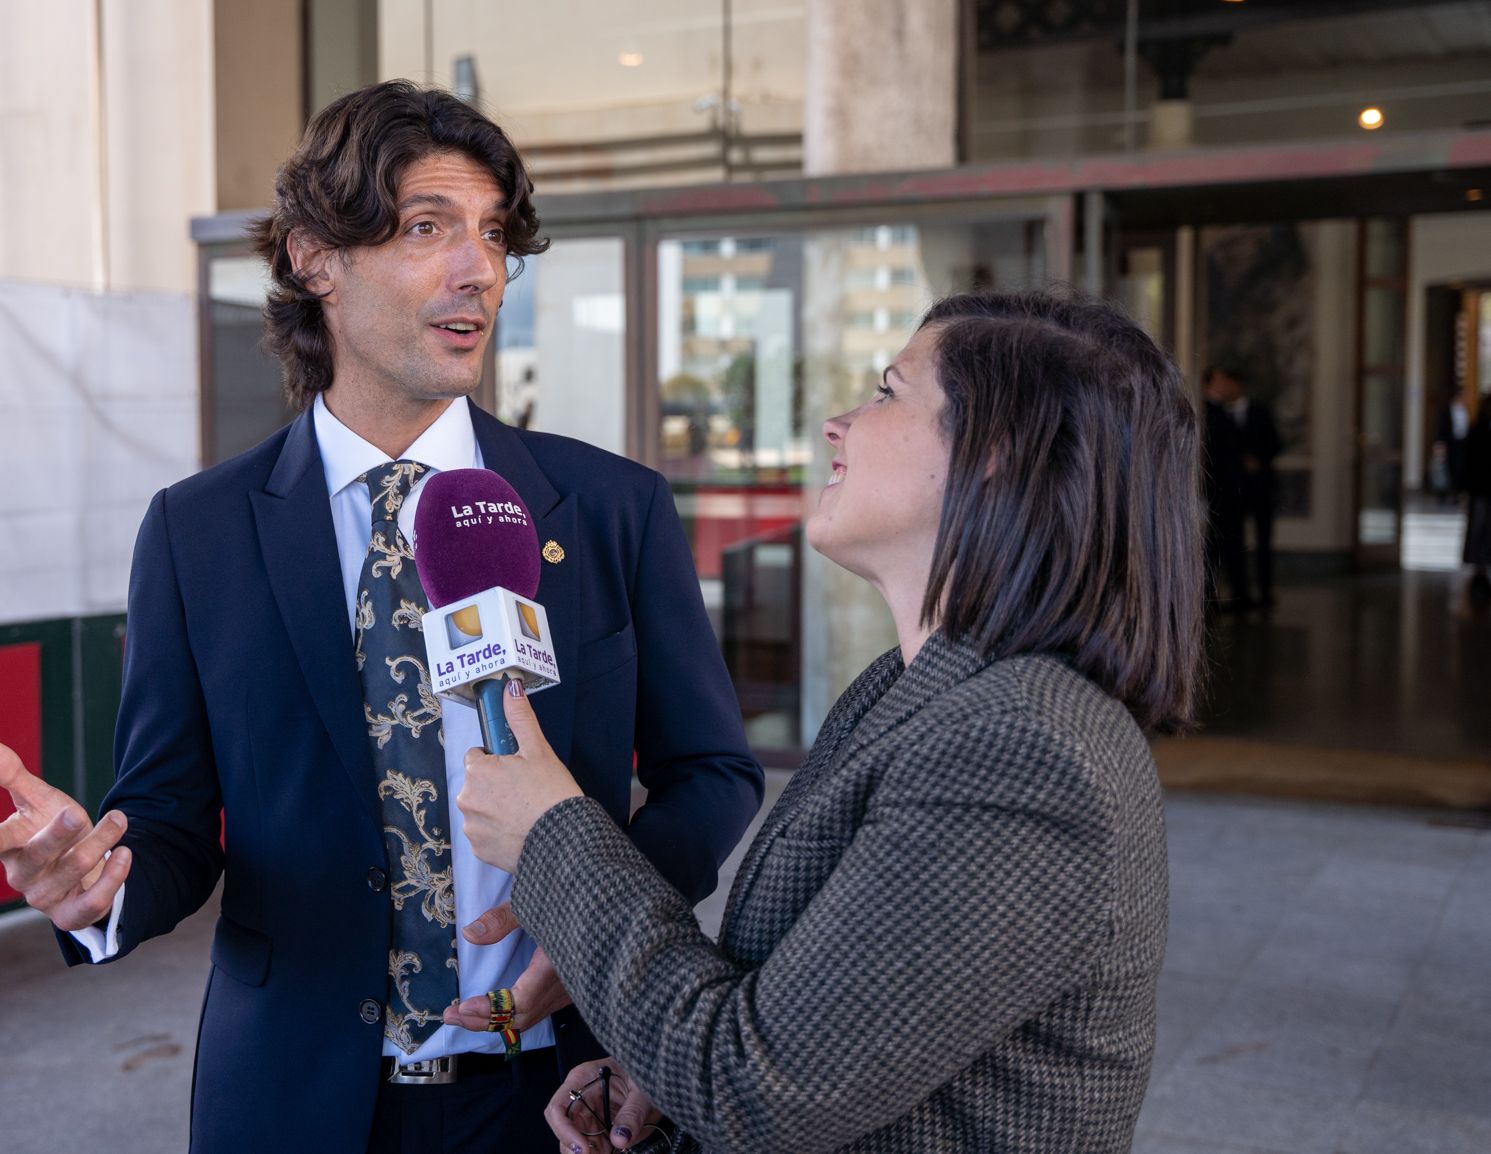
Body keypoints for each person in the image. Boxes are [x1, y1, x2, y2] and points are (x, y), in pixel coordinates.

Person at [0, 81, 763, 1154]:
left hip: (565, 1095)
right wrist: (97, 887)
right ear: (314, 259)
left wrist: (600, 920)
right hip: (290, 1101)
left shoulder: (609, 506)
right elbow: (167, 816)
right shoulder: (199, 531)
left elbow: (712, 772)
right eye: (428, 227)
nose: (479, 269)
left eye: (492, 234)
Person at [458, 290, 1206, 1154]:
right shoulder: (913, 689)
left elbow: (757, 1090)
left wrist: (549, 832)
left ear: (993, 454)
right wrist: (663, 1067)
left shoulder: (1017, 746)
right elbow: (831, 1016)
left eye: (887, 392)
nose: (836, 425)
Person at [1203, 363, 1282, 609]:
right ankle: (1240, 593)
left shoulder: (1259, 412)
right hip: (1231, 490)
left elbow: (1275, 444)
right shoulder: (1216, 413)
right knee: (1232, 541)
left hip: (1260, 488)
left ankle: (1265, 591)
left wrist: (1258, 459)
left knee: (1263, 542)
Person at [1463, 398, 1491, 596]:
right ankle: (1480, 570)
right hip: (1481, 490)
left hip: (1480, 489)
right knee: (1480, 529)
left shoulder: (1476, 430)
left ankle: (1481, 568)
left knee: (1482, 529)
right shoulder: (1478, 431)